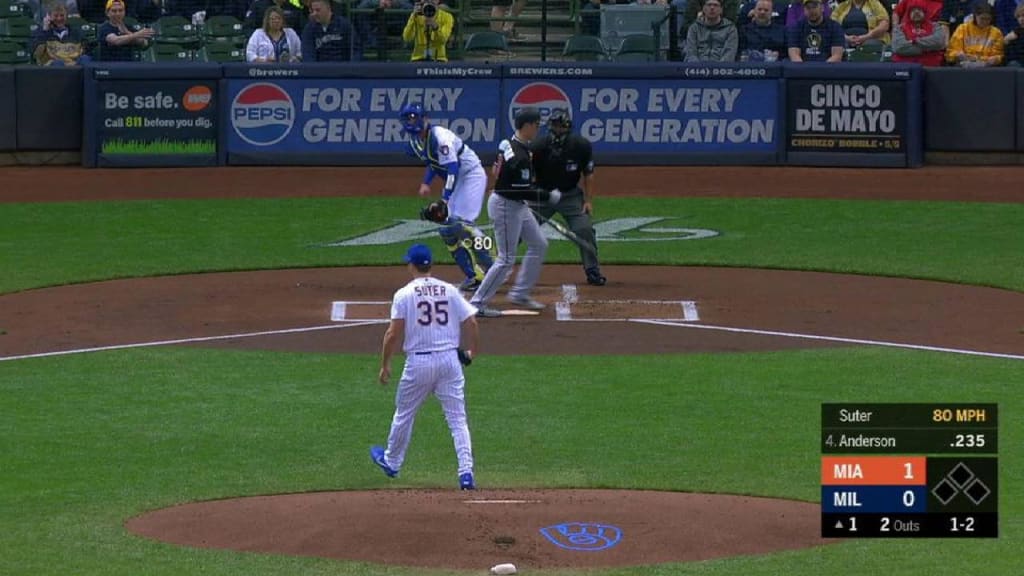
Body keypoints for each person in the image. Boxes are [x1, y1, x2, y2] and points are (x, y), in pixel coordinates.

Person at [371, 243, 480, 491]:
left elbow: (392, 334)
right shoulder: (450, 290)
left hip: (418, 363)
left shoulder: (404, 294)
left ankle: (392, 462)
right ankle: (466, 473)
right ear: (430, 265)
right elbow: (472, 322)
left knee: (404, 414)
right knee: (457, 420)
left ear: (411, 265)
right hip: (450, 361)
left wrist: (385, 364)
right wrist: (473, 351)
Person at [469, 107, 560, 318]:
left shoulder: (508, 144)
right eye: (536, 125)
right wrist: (548, 196)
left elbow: (497, 171)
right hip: (506, 207)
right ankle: (477, 303)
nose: (538, 129)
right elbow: (524, 190)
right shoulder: (519, 155)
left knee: (539, 243)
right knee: (506, 258)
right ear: (527, 125)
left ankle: (520, 293)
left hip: (515, 203)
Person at [399, 104, 494, 293]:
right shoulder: (417, 142)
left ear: (425, 119)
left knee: (463, 224)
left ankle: (495, 267)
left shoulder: (441, 138)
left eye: (414, 117)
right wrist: (426, 183)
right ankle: (474, 276)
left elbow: (452, 168)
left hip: (470, 176)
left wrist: (445, 198)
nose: (412, 121)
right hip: (458, 181)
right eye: (408, 118)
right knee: (447, 230)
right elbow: (433, 163)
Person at [531, 110, 607, 287]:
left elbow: (588, 174)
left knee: (584, 229)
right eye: (554, 126)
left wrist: (588, 201)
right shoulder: (538, 146)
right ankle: (495, 267)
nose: (557, 130)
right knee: (518, 229)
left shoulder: (581, 146)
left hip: (570, 196)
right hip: (543, 195)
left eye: (560, 126)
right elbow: (527, 174)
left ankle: (592, 270)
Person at [946, 1, 1004, 66]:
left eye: (988, 19)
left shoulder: (996, 33)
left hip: (987, 68)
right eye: (982, 18)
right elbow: (950, 53)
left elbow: (998, 55)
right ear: (975, 16)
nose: (985, 22)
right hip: (963, 67)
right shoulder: (962, 29)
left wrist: (996, 59)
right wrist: (957, 55)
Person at [891, 0, 947, 65]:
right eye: (913, 10)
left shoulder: (935, 26)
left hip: (930, 67)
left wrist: (914, 41)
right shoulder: (900, 28)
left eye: (919, 10)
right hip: (905, 66)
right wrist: (928, 50)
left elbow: (939, 42)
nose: (916, 12)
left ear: (925, 13)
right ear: (908, 14)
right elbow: (899, 47)